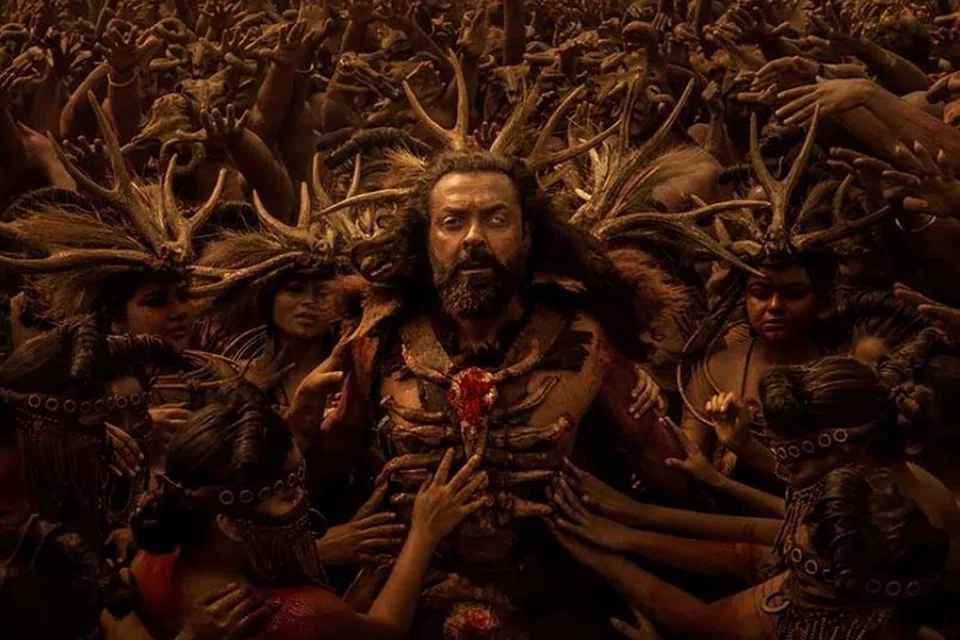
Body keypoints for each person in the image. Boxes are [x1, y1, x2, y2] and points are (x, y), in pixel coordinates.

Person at [131, 383, 490, 640]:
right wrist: (424, 533)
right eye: (287, 494)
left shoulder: (151, 563)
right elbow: (385, 629)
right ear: (230, 524)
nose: (302, 497)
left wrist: (350, 595)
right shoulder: (295, 614)